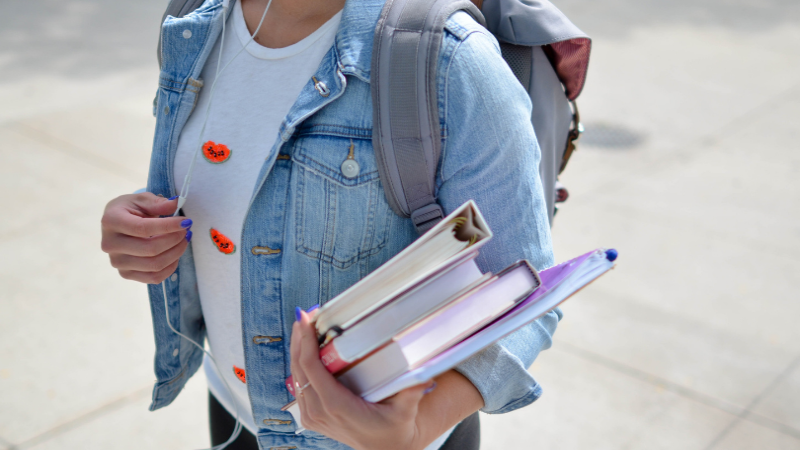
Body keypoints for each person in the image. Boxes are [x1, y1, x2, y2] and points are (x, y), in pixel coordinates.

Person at [100, 0, 560, 448]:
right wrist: (139, 230)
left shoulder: (448, 58)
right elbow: (213, 190)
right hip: (233, 410)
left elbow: (523, 292)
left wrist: (414, 430)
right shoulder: (193, 20)